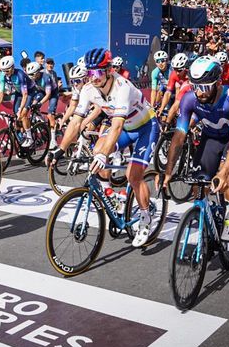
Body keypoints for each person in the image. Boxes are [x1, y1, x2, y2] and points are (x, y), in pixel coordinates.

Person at [47, 48, 160, 248]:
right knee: (98, 148)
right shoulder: (88, 89)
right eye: (89, 73)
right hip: (126, 127)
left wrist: (103, 156)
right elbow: (75, 122)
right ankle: (110, 196)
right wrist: (60, 149)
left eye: (98, 73)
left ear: (108, 70)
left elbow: (116, 126)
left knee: (133, 176)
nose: (93, 78)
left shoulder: (122, 86)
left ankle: (145, 218)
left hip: (145, 127)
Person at [161, 56, 229, 242]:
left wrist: (223, 172)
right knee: (198, 186)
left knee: (228, 175)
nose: (199, 92)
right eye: (195, 86)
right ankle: (206, 220)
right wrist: (168, 170)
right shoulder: (189, 99)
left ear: (217, 83)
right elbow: (179, 137)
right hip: (211, 138)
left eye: (205, 87)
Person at [0, 56, 36, 148]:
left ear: (12, 67)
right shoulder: (2, 75)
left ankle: (30, 138)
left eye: (7, 70)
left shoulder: (20, 75)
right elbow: (1, 92)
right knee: (16, 115)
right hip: (18, 92)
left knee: (22, 113)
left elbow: (25, 94)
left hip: (29, 92)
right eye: (3, 70)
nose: (5, 73)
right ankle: (22, 134)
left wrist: (21, 110)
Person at [25, 61, 59, 149]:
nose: (31, 77)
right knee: (33, 105)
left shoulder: (46, 77)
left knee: (50, 114)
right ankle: (42, 122)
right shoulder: (32, 78)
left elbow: (48, 95)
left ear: (37, 72)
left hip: (52, 93)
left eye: (32, 75)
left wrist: (40, 103)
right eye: (29, 75)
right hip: (41, 91)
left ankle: (53, 140)